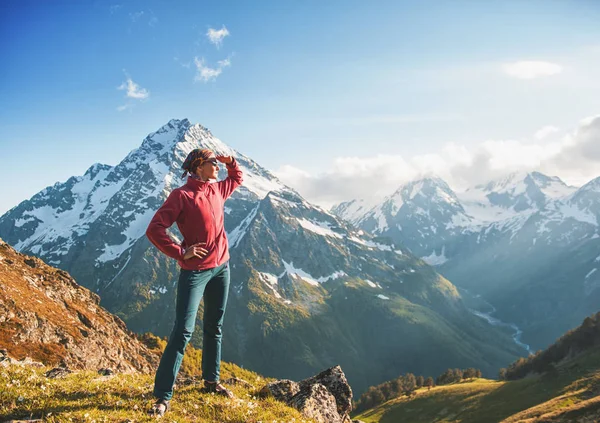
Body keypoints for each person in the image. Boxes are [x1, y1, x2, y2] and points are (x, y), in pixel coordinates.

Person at [145, 148, 243, 416]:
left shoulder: (217, 189)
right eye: (213, 163)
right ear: (199, 167)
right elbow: (154, 229)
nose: (217, 167)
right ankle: (162, 397)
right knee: (183, 332)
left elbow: (237, 178)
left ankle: (211, 382)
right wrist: (180, 251)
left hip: (221, 268)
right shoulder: (181, 196)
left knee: (214, 326)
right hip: (195, 272)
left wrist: (230, 162)